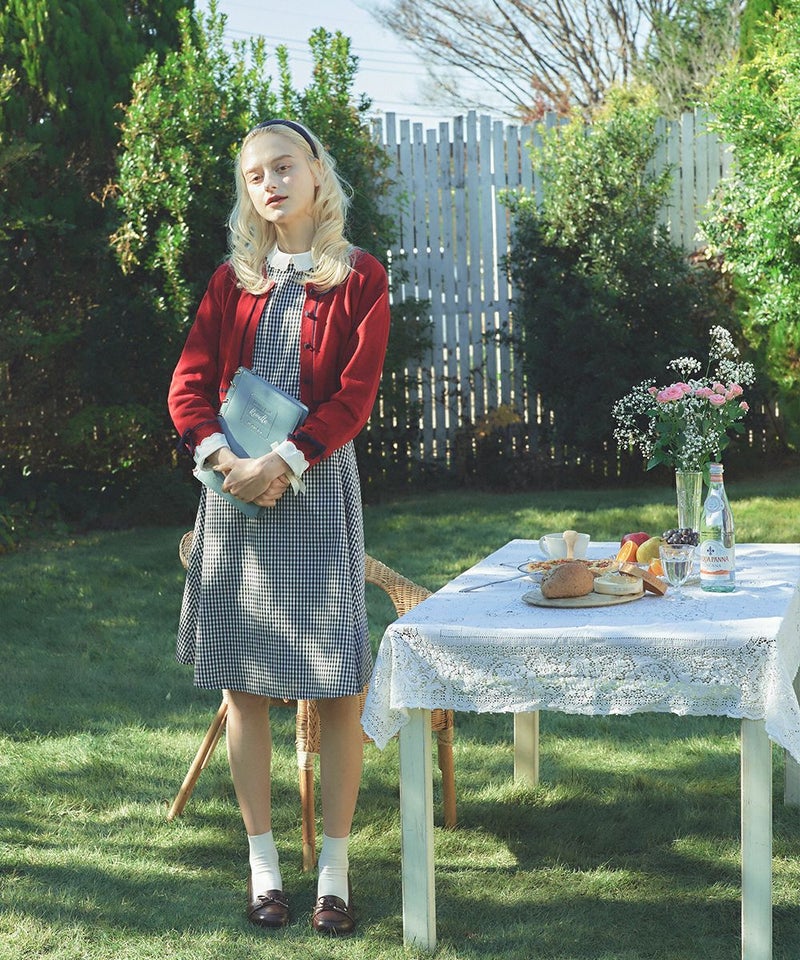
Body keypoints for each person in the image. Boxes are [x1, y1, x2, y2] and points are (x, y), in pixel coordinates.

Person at [168, 118, 391, 935]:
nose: (271, 183)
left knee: (338, 686)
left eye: (284, 166)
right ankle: (263, 868)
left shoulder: (361, 276)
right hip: (235, 499)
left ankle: (334, 875)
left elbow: (355, 396)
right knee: (245, 685)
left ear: (317, 172)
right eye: (256, 175)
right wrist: (228, 461)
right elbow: (188, 386)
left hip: (318, 490)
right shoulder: (233, 281)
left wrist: (283, 462)